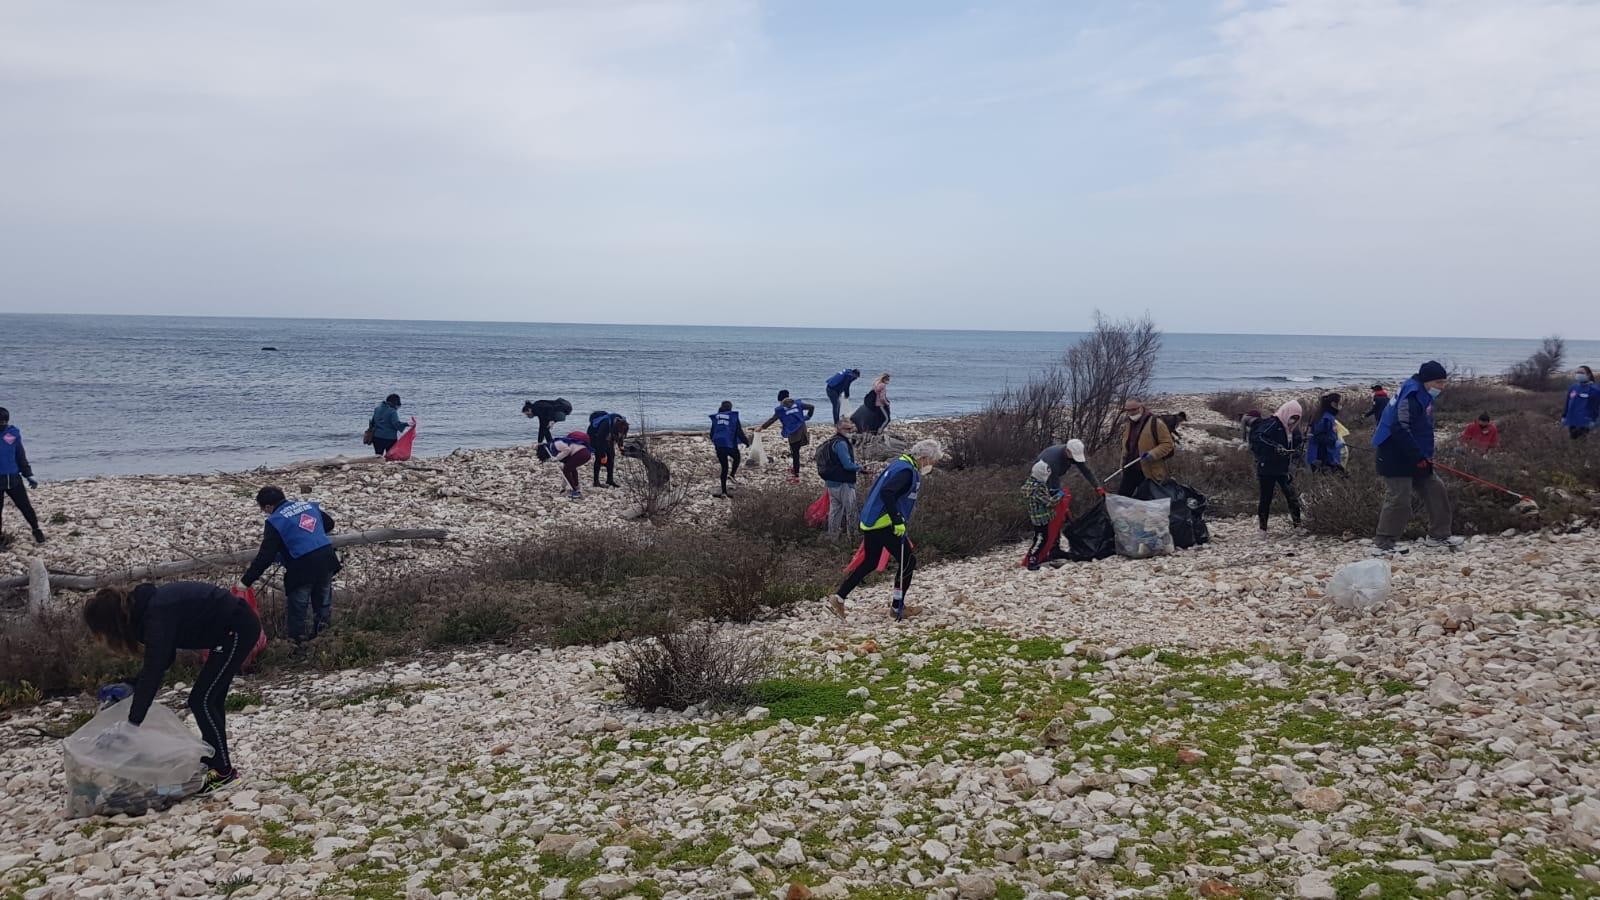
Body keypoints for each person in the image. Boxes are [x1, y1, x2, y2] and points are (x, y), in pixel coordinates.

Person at [82, 581, 262, 793]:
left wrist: (132, 724)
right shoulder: (146, 611)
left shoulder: (155, 614)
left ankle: (223, 771)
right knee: (210, 699)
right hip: (229, 631)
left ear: (112, 624)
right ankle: (215, 760)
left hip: (238, 628)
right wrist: (132, 683)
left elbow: (154, 671)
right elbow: (164, 658)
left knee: (202, 700)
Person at [824, 439, 943, 622]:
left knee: (870, 561)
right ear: (924, 458)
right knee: (908, 561)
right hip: (884, 522)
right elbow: (887, 492)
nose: (931, 466)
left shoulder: (900, 463)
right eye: (932, 462)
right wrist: (897, 520)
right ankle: (897, 607)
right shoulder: (906, 471)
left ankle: (839, 597)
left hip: (871, 520)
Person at [1372, 360, 1463, 554]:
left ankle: (1439, 535)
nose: (1442, 386)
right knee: (1399, 498)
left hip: (1416, 453)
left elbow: (1422, 429)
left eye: (1443, 382)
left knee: (1435, 488)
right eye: (1438, 382)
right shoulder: (1411, 396)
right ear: (1426, 380)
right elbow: (1399, 427)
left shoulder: (1424, 394)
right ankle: (1384, 543)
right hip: (1394, 453)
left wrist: (1424, 456)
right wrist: (1417, 456)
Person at [240, 486, 340, 644]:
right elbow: (329, 523)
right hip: (327, 560)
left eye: (263, 509)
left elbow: (265, 556)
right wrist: (308, 535)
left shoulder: (275, 521)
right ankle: (325, 641)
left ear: (268, 506)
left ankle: (298, 646)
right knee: (323, 605)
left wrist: (245, 582)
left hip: (302, 568)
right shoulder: (308, 506)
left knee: (299, 611)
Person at [1030, 439, 1104, 565]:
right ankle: (1045, 552)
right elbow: (1053, 487)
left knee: (1058, 515)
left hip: (1052, 481)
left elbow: (1086, 470)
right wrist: (1063, 507)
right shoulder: (1052, 461)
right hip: (1043, 483)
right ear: (1067, 451)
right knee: (1051, 516)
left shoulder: (1072, 454)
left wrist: (1097, 486)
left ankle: (1055, 549)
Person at [1251, 400, 1304, 536]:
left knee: (1292, 496)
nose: (1293, 420)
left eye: (1296, 418)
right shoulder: (1273, 423)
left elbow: (1295, 444)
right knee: (1266, 498)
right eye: (1292, 417)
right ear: (1286, 413)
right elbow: (1259, 437)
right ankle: (1262, 529)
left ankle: (1298, 525)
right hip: (1267, 467)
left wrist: (1300, 445)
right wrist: (1276, 447)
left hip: (1283, 468)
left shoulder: (1292, 429)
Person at [0, 407, 45, 546]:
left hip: (14, 478)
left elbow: (20, 455)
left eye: (4, 422)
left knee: (25, 506)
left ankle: (36, 530)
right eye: (0, 422)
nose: (2, 424)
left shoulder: (10, 435)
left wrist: (28, 474)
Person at [1117, 399, 1175, 497]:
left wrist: (1152, 454)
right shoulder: (1128, 423)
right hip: (1130, 469)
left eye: (1134, 409)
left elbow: (1168, 444)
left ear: (1141, 407)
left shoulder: (1156, 423)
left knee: (1145, 501)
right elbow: (1126, 447)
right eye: (1128, 410)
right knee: (1122, 498)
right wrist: (1122, 465)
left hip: (1149, 472)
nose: (1131, 413)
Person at [815, 418, 862, 538]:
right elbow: (847, 465)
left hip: (831, 482)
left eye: (851, 429)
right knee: (851, 510)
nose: (850, 431)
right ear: (839, 428)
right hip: (844, 483)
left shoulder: (831, 441)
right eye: (847, 429)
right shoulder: (841, 443)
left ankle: (832, 537)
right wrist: (860, 468)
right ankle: (853, 537)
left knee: (835, 511)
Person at [758, 391, 816, 483]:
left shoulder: (780, 409)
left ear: (780, 400)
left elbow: (772, 420)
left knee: (795, 453)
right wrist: (808, 417)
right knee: (796, 450)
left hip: (793, 432)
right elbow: (812, 407)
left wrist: (761, 427)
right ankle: (795, 468)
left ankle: (796, 475)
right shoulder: (798, 403)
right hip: (802, 429)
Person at [1022, 461, 1064, 572]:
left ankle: (1040, 556)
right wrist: (1059, 495)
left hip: (1034, 516)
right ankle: (1032, 560)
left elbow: (1038, 498)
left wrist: (1048, 492)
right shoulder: (1038, 488)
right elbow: (1050, 503)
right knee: (1040, 539)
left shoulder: (1028, 485)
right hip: (1042, 518)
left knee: (1041, 538)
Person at [709, 401, 750, 497]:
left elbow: (712, 433)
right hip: (730, 444)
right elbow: (739, 432)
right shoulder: (733, 417)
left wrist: (715, 443)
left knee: (724, 468)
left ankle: (724, 492)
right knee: (737, 457)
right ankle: (732, 475)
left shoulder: (717, 417)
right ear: (730, 408)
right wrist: (746, 442)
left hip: (719, 445)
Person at [537, 432, 593, 500]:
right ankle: (576, 487)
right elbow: (565, 470)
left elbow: (567, 450)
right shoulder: (554, 450)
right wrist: (563, 486)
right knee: (570, 468)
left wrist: (557, 458)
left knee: (567, 470)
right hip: (584, 454)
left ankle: (574, 491)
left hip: (581, 453)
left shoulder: (556, 443)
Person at [586, 411, 630, 488]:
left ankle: (610, 480)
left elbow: (620, 435)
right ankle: (596, 482)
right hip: (595, 437)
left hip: (607, 436)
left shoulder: (623, 423)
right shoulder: (605, 425)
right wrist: (603, 455)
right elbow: (600, 441)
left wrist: (621, 446)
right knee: (599, 458)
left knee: (611, 456)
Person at [1305, 393, 1345, 473]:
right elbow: (1318, 436)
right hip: (1322, 456)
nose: (1340, 405)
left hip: (1329, 453)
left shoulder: (1328, 415)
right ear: (1333, 404)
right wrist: (1333, 441)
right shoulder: (1325, 418)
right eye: (1339, 403)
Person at [1563, 366, 1598, 439]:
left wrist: (1595, 421)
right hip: (1572, 420)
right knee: (1573, 440)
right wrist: (1564, 416)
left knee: (1582, 441)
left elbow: (1597, 407)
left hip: (1585, 422)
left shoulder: (1595, 389)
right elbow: (1567, 402)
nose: (1579, 374)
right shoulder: (1573, 387)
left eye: (1581, 372)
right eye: (1577, 372)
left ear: (1588, 375)